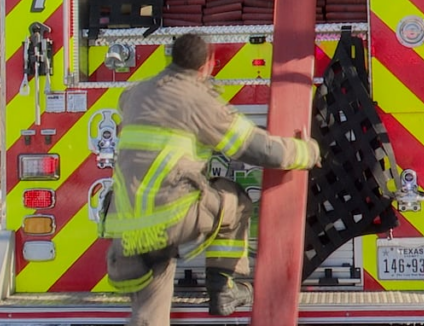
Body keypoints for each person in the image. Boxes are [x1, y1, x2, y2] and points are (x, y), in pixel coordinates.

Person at [102, 33, 321, 325]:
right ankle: (224, 288)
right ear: (209, 64)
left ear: (172, 59)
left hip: (127, 228)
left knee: (147, 317)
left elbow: (125, 101)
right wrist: (307, 152)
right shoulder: (198, 102)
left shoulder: (137, 93)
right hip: (171, 218)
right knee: (237, 200)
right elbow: (258, 149)